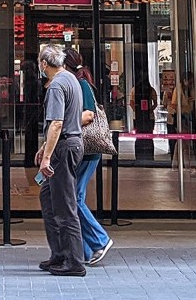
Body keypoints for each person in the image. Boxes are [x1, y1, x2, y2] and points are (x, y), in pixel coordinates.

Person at [35, 44, 86, 277]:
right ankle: (59, 253)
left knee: (65, 205)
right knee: (48, 197)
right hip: (68, 144)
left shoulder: (56, 85)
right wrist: (45, 146)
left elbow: (56, 122)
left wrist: (46, 158)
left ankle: (74, 261)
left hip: (64, 147)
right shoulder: (71, 79)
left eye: (39, 62)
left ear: (44, 64)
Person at [64, 48, 114, 266]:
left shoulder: (81, 84)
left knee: (75, 198)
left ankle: (99, 240)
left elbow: (88, 114)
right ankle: (83, 250)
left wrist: (65, 124)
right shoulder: (78, 82)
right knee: (74, 198)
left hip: (87, 150)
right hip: (83, 151)